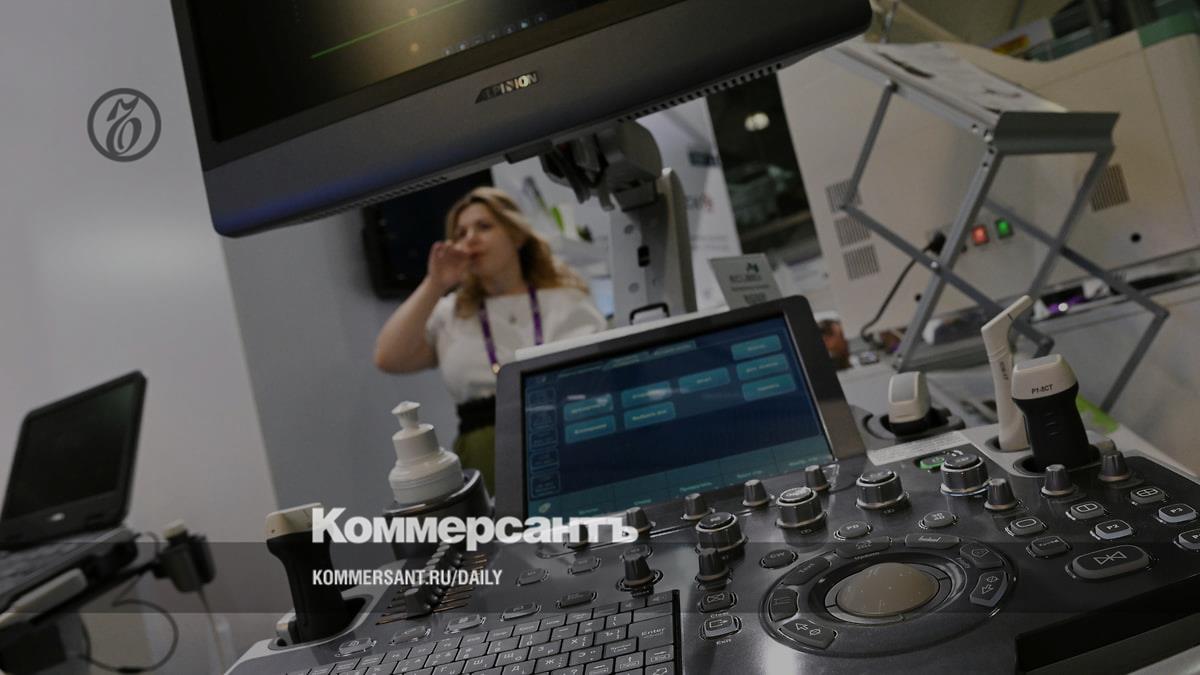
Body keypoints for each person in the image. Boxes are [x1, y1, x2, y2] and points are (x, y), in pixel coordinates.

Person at [374, 187, 607, 494]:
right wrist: (435, 283)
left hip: (567, 436)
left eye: (483, 226)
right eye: (460, 233)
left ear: (516, 235)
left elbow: (599, 376)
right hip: (486, 454)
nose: (470, 238)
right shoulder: (451, 313)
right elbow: (389, 357)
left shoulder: (566, 300)